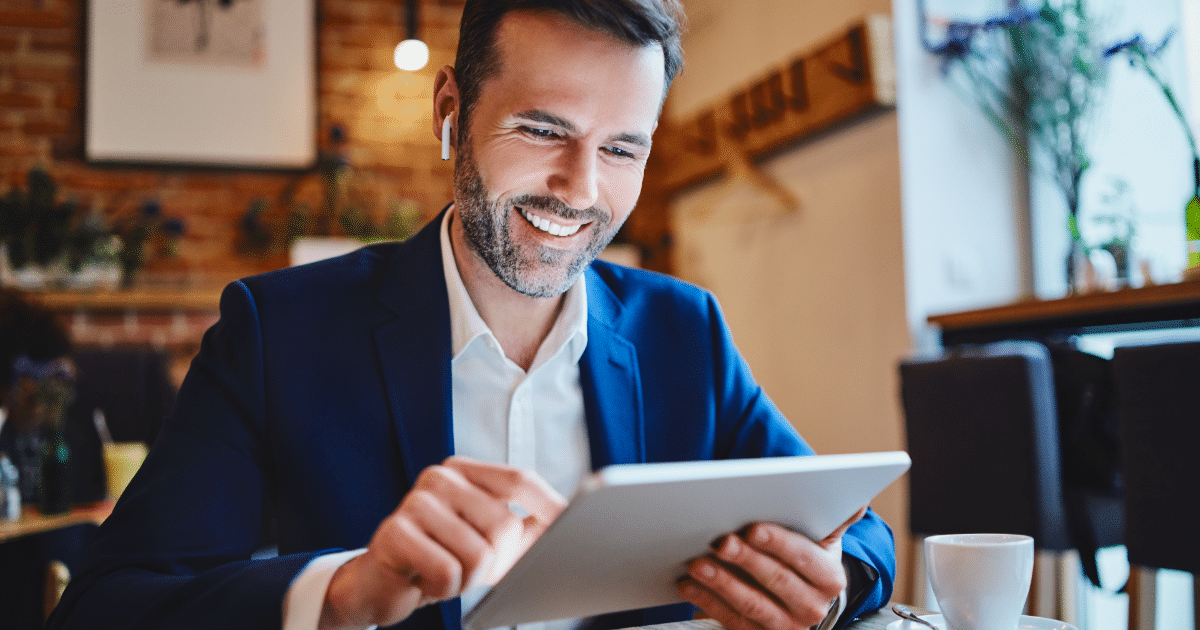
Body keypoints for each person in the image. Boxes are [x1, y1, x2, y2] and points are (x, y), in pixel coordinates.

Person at [47, 2, 896, 630]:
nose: (581, 188)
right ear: (449, 109)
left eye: (621, 148)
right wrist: (342, 593)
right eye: (541, 129)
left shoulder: (686, 332)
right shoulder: (279, 332)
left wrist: (833, 587)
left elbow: (857, 535)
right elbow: (108, 606)